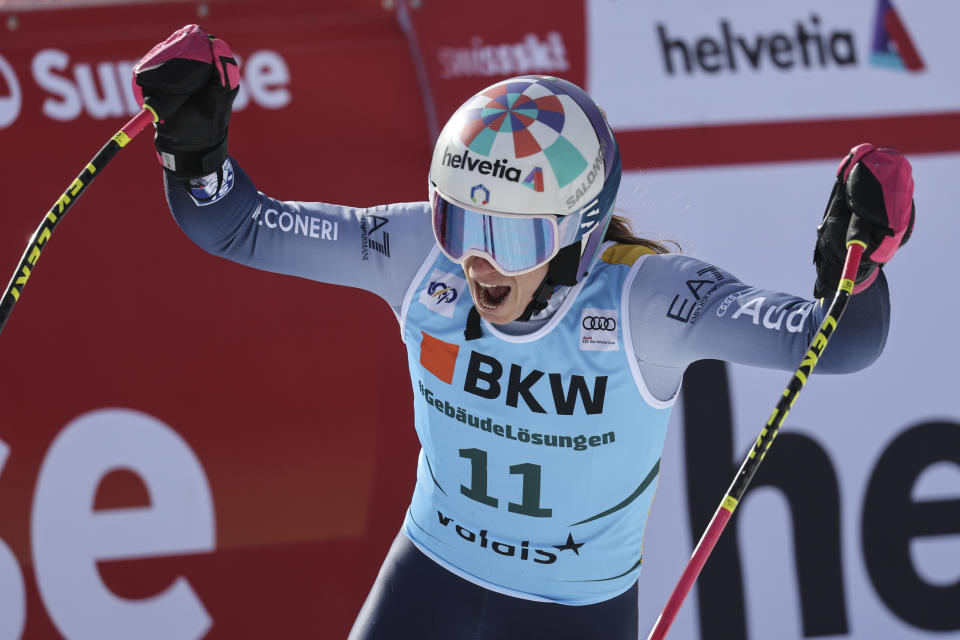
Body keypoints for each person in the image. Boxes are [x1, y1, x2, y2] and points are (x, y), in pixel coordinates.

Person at [133, 26, 915, 639]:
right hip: (430, 580)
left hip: (572, 615)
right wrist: (195, 149)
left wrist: (854, 263)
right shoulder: (418, 258)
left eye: (509, 238)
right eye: (457, 221)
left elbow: (836, 342)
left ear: (577, 233)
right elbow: (236, 224)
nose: (476, 262)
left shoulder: (647, 302)